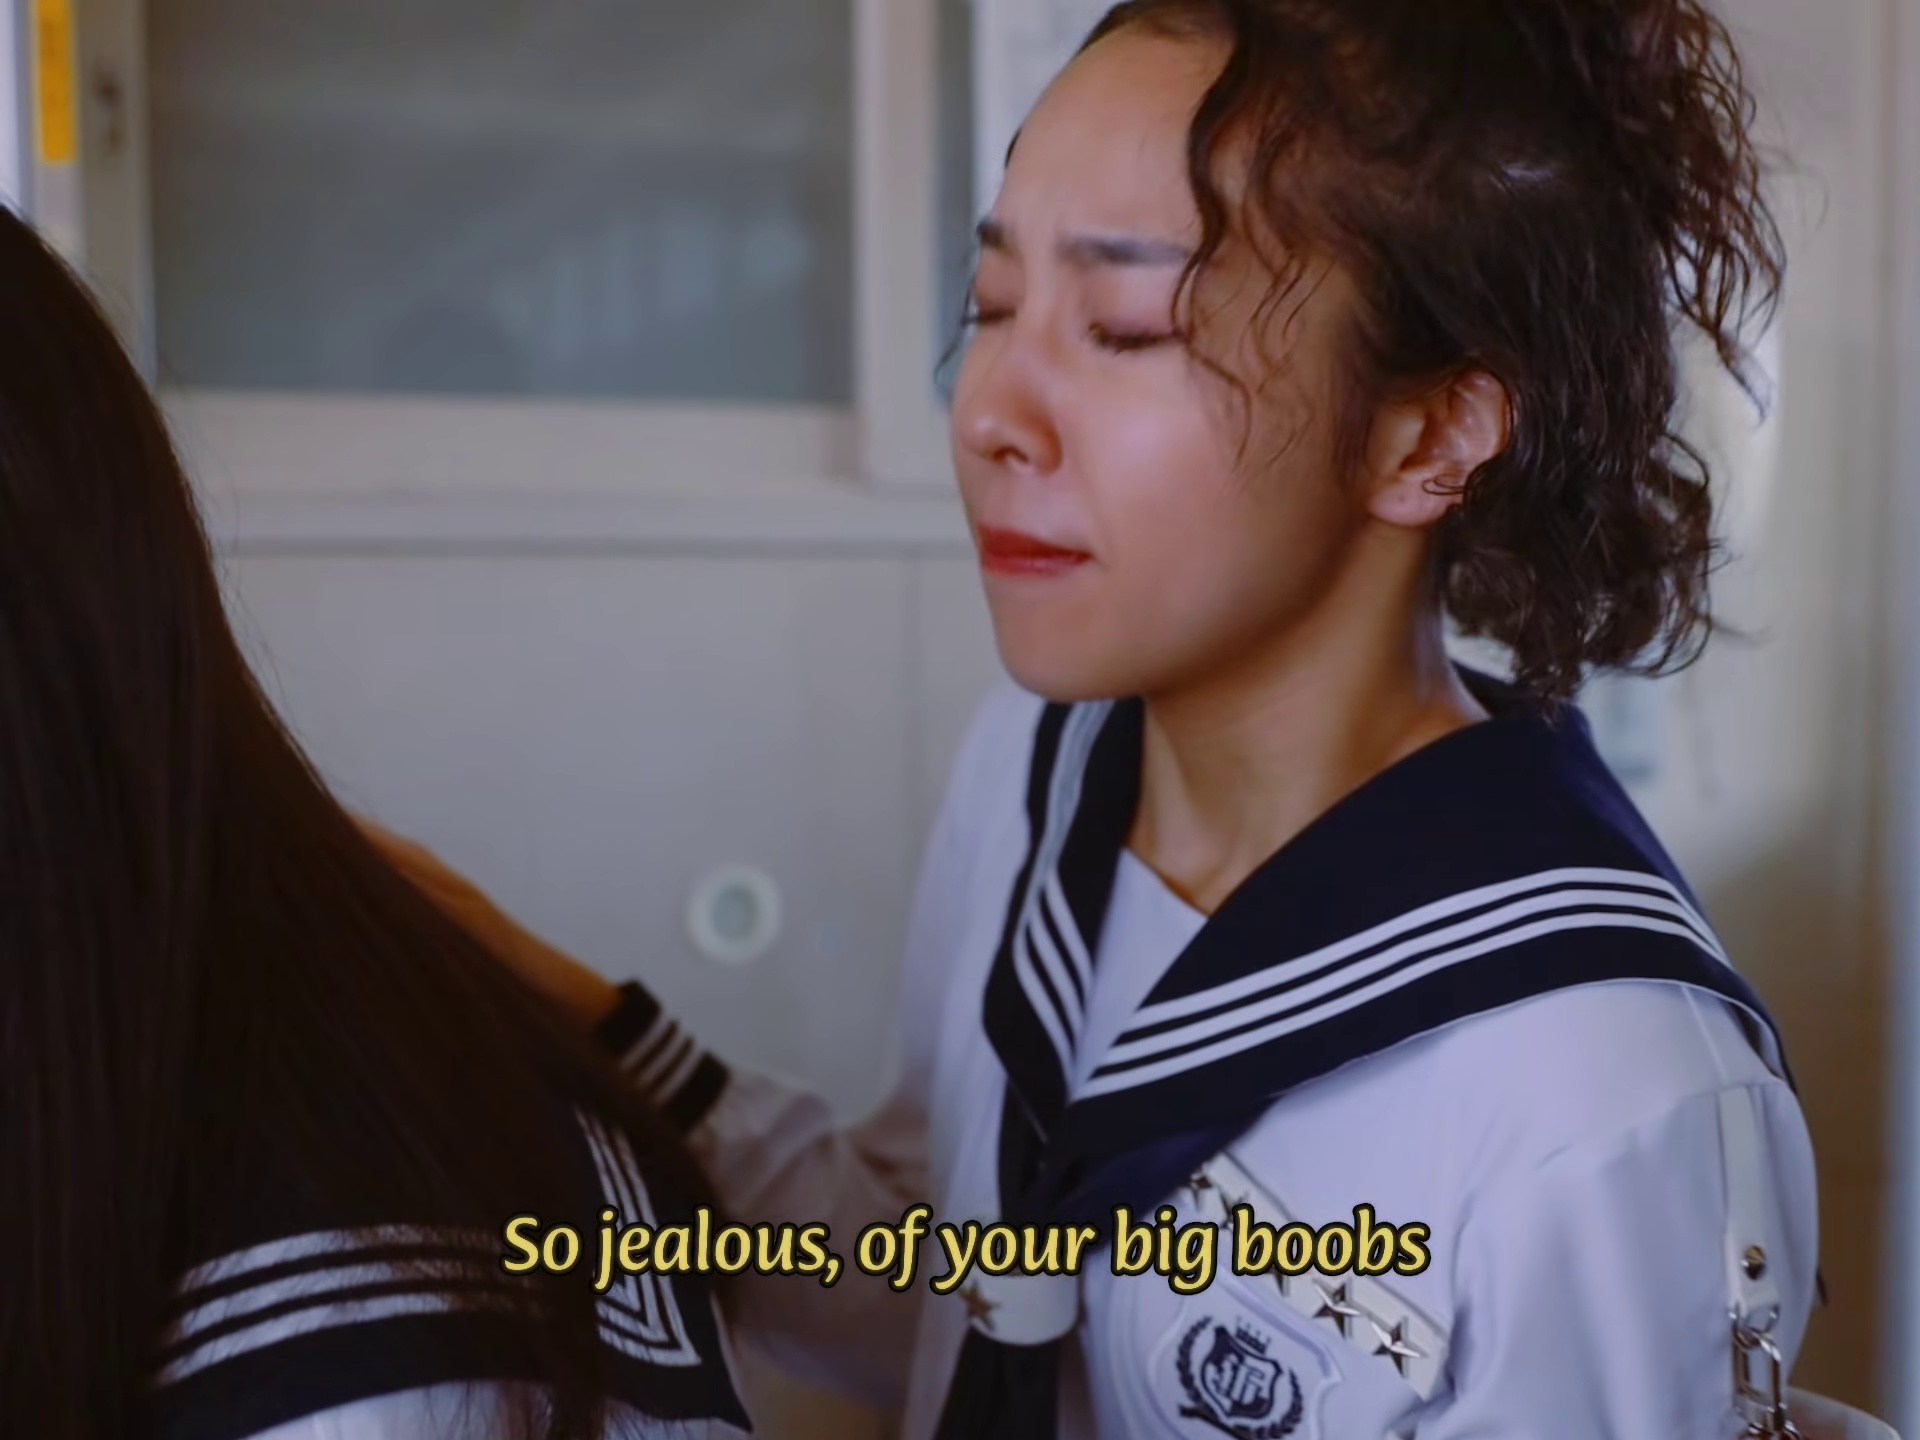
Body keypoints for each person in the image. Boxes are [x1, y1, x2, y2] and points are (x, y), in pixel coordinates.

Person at [373, 1, 1828, 1436]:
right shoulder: (1038, 769)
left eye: (1129, 329)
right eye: (992, 305)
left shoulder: (1596, 1094)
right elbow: (959, 1296)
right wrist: (565, 1017)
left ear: (1430, 434)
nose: (988, 413)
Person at [0, 208, 746, 1439]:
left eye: (1097, 326)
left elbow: (938, 1267)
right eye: (989, 308)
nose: (998, 422)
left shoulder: (379, 1331)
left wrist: (609, 1022)